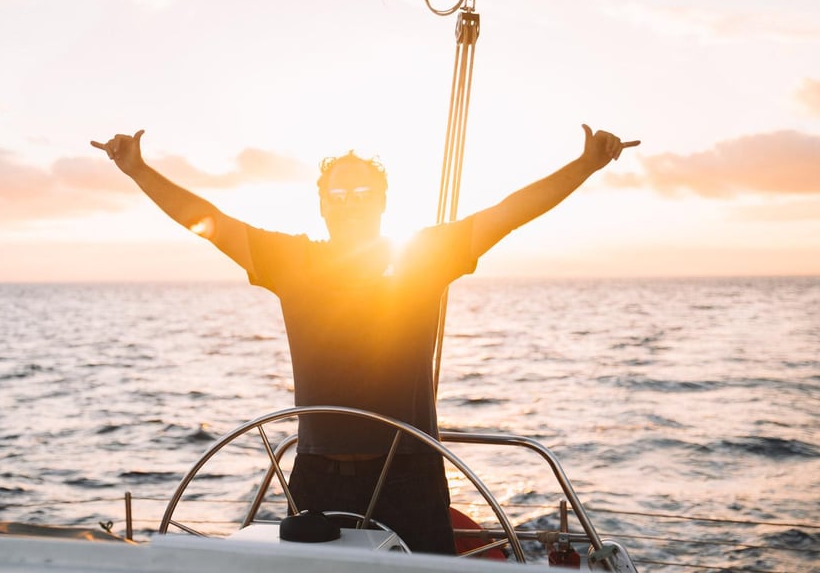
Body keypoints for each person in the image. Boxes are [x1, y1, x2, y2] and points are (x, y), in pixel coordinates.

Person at [91, 125, 639, 554]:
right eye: (340, 192)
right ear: (324, 204)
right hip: (318, 477)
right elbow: (205, 219)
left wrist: (585, 165)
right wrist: (138, 170)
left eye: (363, 190)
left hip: (411, 473)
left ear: (382, 201)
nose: (351, 200)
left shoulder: (423, 255)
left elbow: (509, 214)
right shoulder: (290, 260)